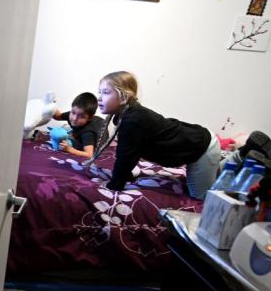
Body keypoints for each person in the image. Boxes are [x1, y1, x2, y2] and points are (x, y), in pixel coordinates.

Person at [93, 71, 220, 200]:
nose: (99, 98)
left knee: (199, 197)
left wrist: (114, 185)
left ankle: (219, 165)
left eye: (106, 92)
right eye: (100, 92)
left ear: (124, 97)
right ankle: (216, 166)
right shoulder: (125, 115)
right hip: (195, 138)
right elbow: (129, 151)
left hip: (202, 147)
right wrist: (124, 176)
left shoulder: (133, 120)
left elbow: (127, 156)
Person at [53, 92, 103, 159]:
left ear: (89, 118)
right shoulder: (72, 114)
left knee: (78, 144)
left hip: (102, 131)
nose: (74, 119)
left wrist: (70, 150)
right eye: (73, 112)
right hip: (94, 123)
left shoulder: (88, 133)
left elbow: (89, 154)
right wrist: (51, 108)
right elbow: (57, 116)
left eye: (82, 117)